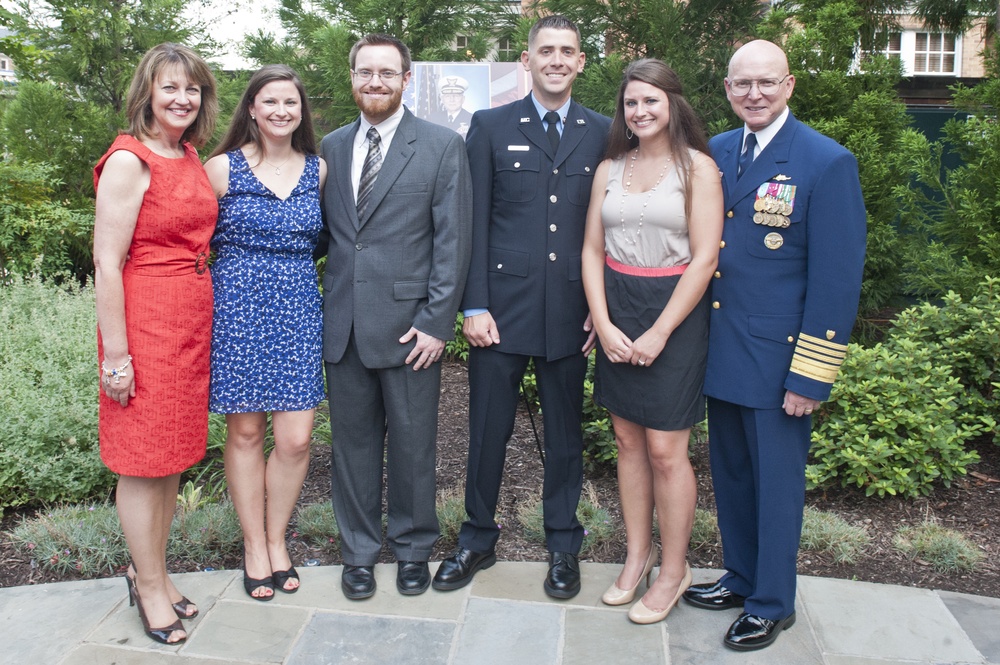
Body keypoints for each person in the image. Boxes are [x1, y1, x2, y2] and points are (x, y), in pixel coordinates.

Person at [681, 40, 866, 650]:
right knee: (732, 474)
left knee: (777, 485)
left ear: (788, 85)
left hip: (780, 360)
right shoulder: (718, 152)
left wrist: (811, 376)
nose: (753, 95)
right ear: (728, 90)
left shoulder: (824, 161)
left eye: (765, 84)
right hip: (722, 350)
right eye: (742, 85)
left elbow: (837, 281)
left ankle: (772, 601)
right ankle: (740, 576)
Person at [432, 15, 611, 600]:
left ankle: (563, 544)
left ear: (581, 61)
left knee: (565, 439)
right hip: (499, 315)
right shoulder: (488, 126)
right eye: (546, 51)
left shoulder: (603, 132)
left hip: (568, 313)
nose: (557, 60)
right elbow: (472, 222)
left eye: (568, 51)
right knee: (487, 433)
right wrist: (473, 305)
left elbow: (608, 228)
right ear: (527, 62)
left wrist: (599, 306)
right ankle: (477, 539)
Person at [318, 33, 472, 600]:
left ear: (407, 79)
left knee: (413, 445)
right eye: (365, 72)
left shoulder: (439, 145)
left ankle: (412, 549)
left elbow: (452, 240)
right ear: (352, 77)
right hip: (345, 327)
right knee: (351, 447)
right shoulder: (331, 148)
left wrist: (437, 321)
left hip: (412, 329)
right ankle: (357, 553)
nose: (375, 82)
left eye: (387, 72)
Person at [581, 59, 722, 623]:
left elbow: (706, 257)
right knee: (627, 441)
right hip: (618, 307)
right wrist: (604, 321)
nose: (639, 111)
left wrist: (661, 331)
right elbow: (592, 250)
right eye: (631, 103)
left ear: (673, 105)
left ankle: (673, 569)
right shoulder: (610, 168)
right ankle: (637, 556)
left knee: (666, 450)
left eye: (650, 101)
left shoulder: (699, 170)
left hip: (676, 314)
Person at [93, 43, 218, 645]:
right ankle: (146, 586)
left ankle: (158, 573)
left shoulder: (187, 154)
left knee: (170, 457)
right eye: (170, 87)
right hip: (145, 325)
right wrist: (116, 356)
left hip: (189, 324)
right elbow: (106, 262)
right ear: (148, 91)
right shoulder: (129, 159)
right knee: (143, 461)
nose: (181, 99)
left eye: (191, 89)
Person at [204, 65, 327, 601]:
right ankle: (256, 546)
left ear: (301, 113)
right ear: (251, 108)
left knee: (297, 438)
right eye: (270, 102)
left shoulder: (317, 171)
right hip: (237, 310)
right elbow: (193, 245)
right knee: (247, 435)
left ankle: (278, 538)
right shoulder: (221, 170)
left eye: (291, 104)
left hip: (298, 308)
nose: (281, 111)